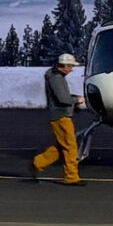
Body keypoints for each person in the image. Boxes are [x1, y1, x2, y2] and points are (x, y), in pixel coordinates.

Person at [30, 53, 85, 186]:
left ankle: (39, 163)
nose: (72, 69)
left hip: (59, 115)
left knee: (62, 146)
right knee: (71, 147)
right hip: (61, 116)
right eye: (71, 66)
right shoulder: (57, 79)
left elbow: (62, 96)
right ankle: (71, 177)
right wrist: (77, 100)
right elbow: (63, 99)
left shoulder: (55, 76)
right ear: (64, 65)